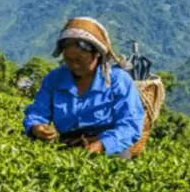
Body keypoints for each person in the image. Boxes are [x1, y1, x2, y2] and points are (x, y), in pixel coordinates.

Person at [22, 17, 144, 157]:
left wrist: (103, 144)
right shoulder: (54, 79)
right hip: (67, 144)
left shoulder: (118, 81)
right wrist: (36, 127)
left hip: (109, 147)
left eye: (80, 60)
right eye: (69, 60)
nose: (74, 65)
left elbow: (130, 125)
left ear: (97, 54)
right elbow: (37, 111)